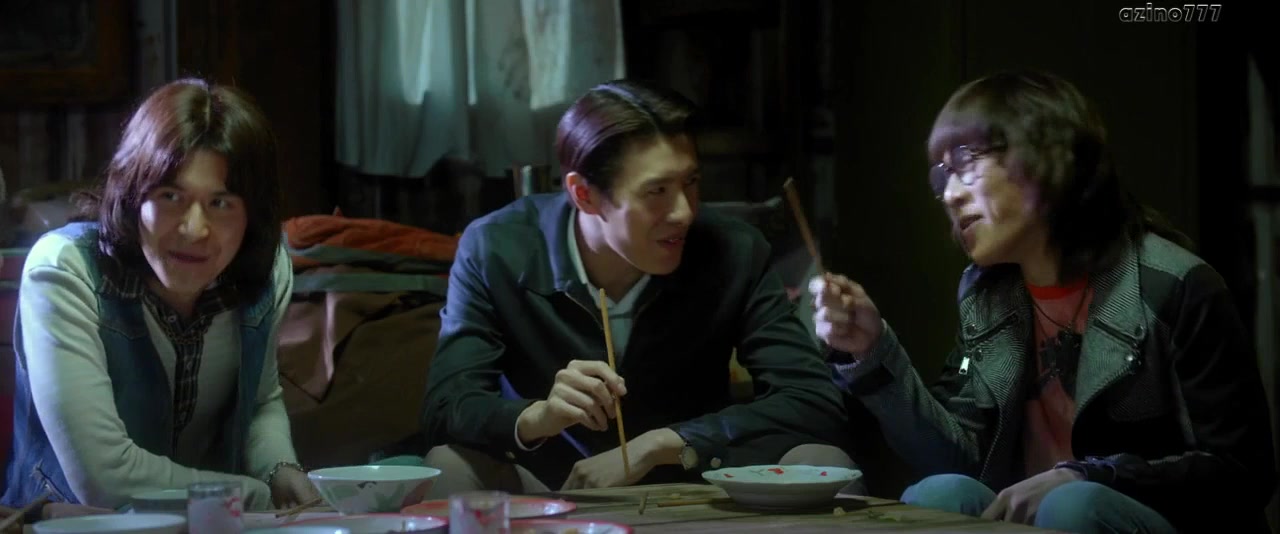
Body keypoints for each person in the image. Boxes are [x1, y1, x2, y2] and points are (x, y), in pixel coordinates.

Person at [811, 70, 1276, 533]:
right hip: (1029, 522)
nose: (949, 195)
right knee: (938, 496)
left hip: (1141, 519)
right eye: (942, 176)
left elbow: (1241, 472)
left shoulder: (1174, 285)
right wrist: (871, 351)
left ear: (1046, 157)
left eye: (967, 162)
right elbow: (956, 457)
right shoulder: (987, 294)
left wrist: (1090, 475)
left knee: (1071, 507)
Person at [422, 79, 856, 495]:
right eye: (657, 191)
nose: (684, 212)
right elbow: (446, 405)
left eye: (691, 182)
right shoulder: (496, 248)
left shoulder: (734, 250)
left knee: (825, 461)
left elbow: (812, 401)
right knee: (448, 466)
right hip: (552, 490)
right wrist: (539, 417)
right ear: (584, 194)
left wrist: (665, 442)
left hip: (693, 488)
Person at [2, 78, 321, 511]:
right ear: (133, 195)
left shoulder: (266, 270)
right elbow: (106, 479)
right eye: (171, 196)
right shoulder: (66, 269)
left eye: (221, 203)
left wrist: (280, 471)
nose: (194, 229)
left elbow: (260, 401)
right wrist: (256, 496)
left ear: (253, 214)